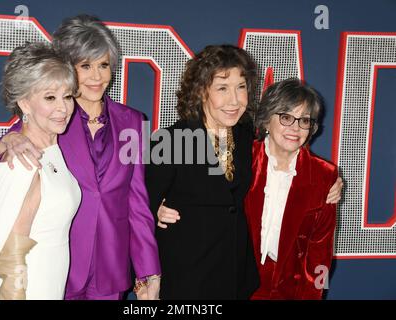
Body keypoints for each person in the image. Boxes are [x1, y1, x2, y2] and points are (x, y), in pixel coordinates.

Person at [0, 15, 161, 300]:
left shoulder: (132, 122)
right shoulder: (54, 118)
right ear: (68, 69)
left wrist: (149, 271)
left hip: (111, 270)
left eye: (103, 65)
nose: (96, 77)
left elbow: (137, 202)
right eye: (85, 66)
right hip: (61, 271)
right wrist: (6, 142)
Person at [145, 45, 260, 299]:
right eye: (222, 88)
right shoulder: (171, 141)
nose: (235, 100)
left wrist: (328, 182)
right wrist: (154, 210)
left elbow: (286, 149)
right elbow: (139, 213)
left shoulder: (245, 134)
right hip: (187, 282)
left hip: (236, 278)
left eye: (241, 87)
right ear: (201, 92)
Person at [0, 42, 81, 299]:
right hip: (27, 288)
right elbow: (11, 257)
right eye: (50, 97)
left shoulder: (52, 150)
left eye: (67, 96)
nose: (63, 108)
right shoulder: (24, 162)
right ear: (24, 103)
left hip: (50, 282)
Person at [245, 78, 338, 299]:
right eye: (286, 117)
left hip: (290, 290)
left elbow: (320, 253)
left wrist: (313, 295)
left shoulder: (325, 176)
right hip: (235, 283)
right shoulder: (239, 160)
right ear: (267, 120)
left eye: (304, 120)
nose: (295, 128)